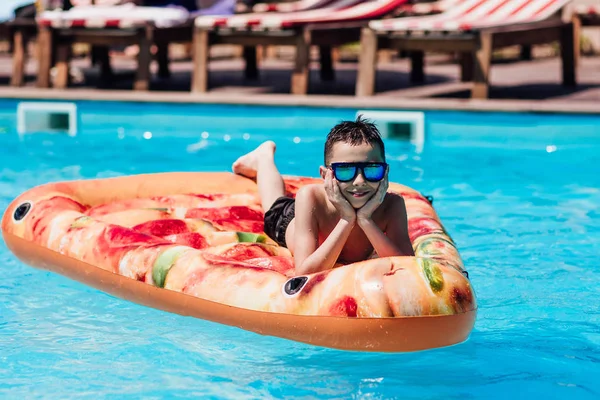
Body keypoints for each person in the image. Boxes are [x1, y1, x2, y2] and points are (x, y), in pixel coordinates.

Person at [232, 116, 415, 275]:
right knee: (275, 203)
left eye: (372, 170)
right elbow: (304, 271)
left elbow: (409, 266)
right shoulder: (310, 198)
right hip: (291, 221)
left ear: (385, 172)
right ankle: (263, 158)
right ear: (325, 175)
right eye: (345, 171)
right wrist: (346, 220)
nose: (359, 181)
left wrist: (366, 220)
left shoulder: (393, 204)